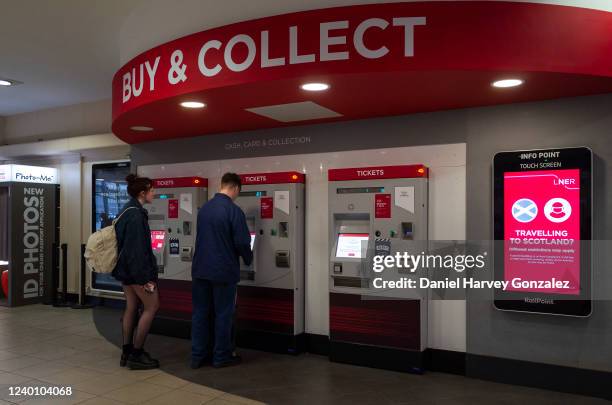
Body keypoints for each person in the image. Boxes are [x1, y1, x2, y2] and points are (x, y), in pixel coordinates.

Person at [191, 172, 253, 368]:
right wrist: (248, 259)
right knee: (224, 314)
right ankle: (221, 356)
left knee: (200, 313)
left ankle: (198, 356)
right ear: (235, 188)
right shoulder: (233, 211)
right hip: (223, 271)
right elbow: (243, 242)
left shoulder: (205, 209)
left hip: (200, 269)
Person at [112, 174, 160, 370]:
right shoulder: (137, 215)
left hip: (124, 270)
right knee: (152, 306)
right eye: (152, 190)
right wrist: (145, 279)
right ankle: (137, 354)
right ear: (143, 193)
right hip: (135, 272)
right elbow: (138, 251)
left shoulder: (126, 209)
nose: (154, 193)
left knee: (131, 307)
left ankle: (126, 351)